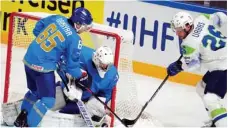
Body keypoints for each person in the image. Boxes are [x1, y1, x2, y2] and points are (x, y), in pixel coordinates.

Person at [14, 7, 93, 127]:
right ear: (77, 24)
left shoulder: (58, 18)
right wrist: (82, 77)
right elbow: (72, 68)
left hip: (29, 58)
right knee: (48, 100)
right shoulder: (75, 39)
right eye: (84, 26)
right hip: (43, 67)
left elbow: (37, 28)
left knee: (34, 92)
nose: (85, 29)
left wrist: (50, 49)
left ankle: (21, 118)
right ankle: (29, 125)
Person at [167, 11, 227, 127]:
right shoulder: (201, 19)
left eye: (179, 30)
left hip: (223, 66)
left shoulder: (188, 44)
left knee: (211, 99)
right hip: (220, 64)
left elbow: (194, 66)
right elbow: (222, 17)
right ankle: (216, 121)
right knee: (201, 87)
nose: (177, 33)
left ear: (187, 26)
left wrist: (178, 66)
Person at [57, 45, 119, 126]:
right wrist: (69, 83)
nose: (106, 68)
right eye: (103, 65)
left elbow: (107, 91)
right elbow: (62, 62)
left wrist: (101, 101)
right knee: (52, 104)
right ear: (96, 60)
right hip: (69, 92)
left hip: (85, 100)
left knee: (76, 114)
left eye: (108, 65)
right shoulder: (81, 55)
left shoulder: (112, 74)